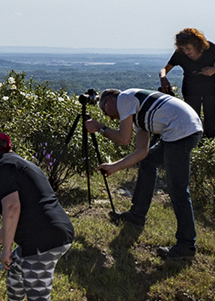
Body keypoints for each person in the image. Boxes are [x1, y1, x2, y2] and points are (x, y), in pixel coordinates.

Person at [85, 88, 202, 260]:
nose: (110, 117)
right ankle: (136, 216)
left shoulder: (124, 97)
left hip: (181, 132)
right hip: (184, 129)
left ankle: (186, 245)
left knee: (178, 191)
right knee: (148, 162)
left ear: (110, 100)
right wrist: (114, 167)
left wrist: (100, 128)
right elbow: (141, 153)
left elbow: (124, 139)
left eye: (105, 111)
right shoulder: (140, 117)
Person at [0, 133, 74, 301]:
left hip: (42, 241)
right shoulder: (21, 164)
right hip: (56, 231)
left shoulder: (1, 168)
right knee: (17, 265)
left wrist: (6, 249)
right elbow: (15, 219)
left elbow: (12, 208)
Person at [159, 28, 215, 138]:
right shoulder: (180, 53)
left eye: (188, 48)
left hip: (211, 88)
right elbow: (164, 70)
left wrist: (213, 70)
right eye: (183, 49)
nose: (186, 52)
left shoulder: (210, 48)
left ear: (197, 44)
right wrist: (163, 78)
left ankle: (210, 149)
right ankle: (194, 148)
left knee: (210, 123)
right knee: (193, 121)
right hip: (191, 90)